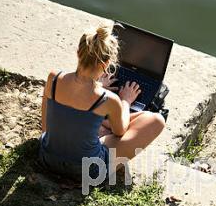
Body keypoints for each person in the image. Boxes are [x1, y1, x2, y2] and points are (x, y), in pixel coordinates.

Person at [38, 21, 166, 181]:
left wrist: (98, 88)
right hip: (86, 172)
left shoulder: (54, 78)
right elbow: (120, 131)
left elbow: (45, 127)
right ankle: (102, 124)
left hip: (47, 158)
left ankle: (99, 125)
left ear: (78, 52)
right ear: (106, 64)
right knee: (156, 120)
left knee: (95, 121)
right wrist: (125, 100)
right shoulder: (108, 99)